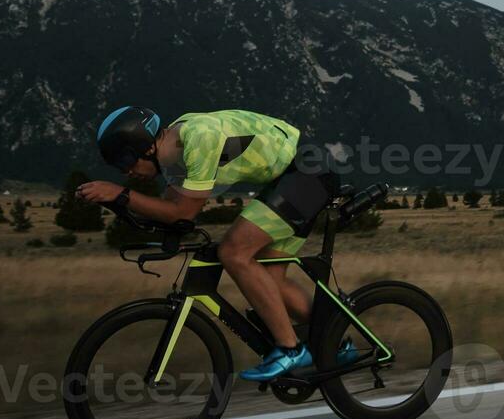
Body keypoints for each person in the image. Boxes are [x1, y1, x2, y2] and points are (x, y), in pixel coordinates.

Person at [77, 106, 352, 381]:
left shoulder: (198, 141)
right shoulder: (175, 152)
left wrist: (120, 194)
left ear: (145, 148)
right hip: (294, 175)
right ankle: (335, 344)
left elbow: (182, 213)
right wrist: (121, 206)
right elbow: (170, 212)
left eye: (125, 162)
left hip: (305, 172)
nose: (126, 172)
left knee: (234, 252)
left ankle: (291, 350)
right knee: (269, 277)